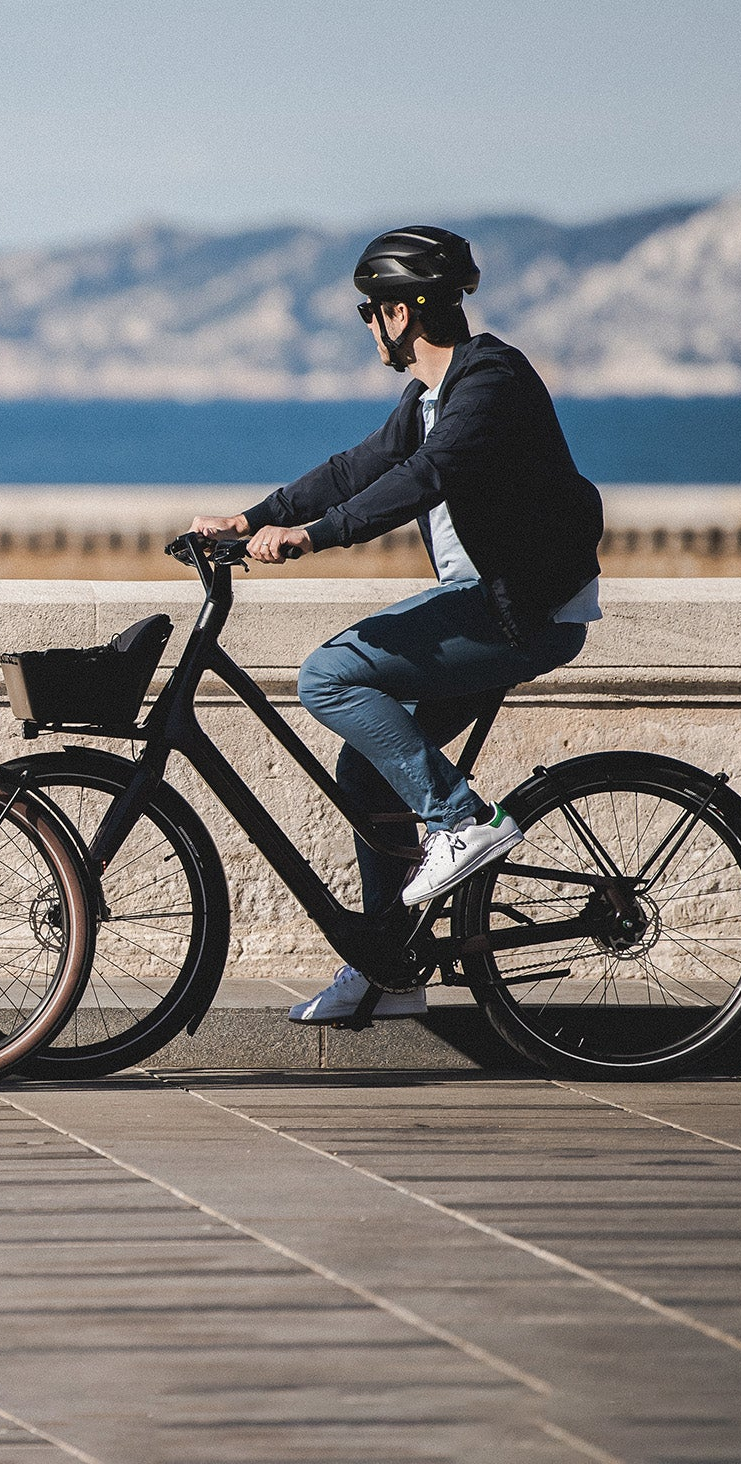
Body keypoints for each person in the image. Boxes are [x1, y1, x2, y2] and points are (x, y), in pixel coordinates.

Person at [190, 226, 605, 1024]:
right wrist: (251, 519)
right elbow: (359, 468)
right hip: (490, 605)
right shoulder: (427, 398)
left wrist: (313, 536)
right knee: (366, 772)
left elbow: (425, 478)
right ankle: (388, 968)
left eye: (369, 311)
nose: (370, 329)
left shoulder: (491, 381)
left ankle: (464, 821)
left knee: (328, 674)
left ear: (400, 313)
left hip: (517, 611)